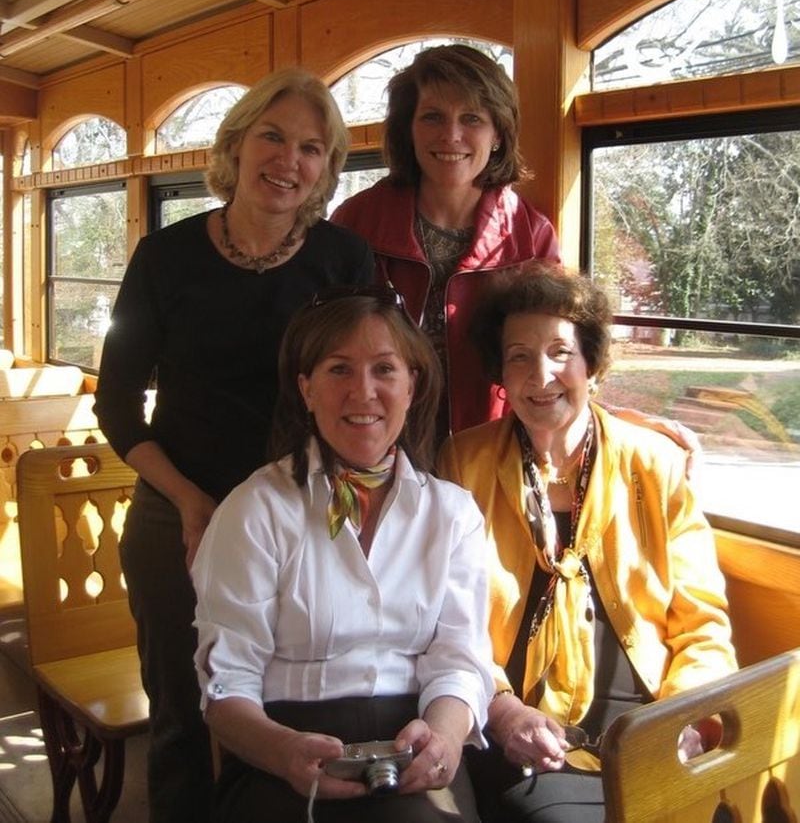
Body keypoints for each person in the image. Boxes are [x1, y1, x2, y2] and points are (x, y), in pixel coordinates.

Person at [93, 69, 374, 823]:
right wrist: (191, 503)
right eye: (273, 137)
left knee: (291, 709)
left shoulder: (344, 263)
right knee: (182, 714)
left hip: (304, 514)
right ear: (237, 144)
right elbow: (115, 403)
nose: (289, 160)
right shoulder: (166, 257)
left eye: (312, 149)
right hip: (177, 509)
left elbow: (370, 389)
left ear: (326, 168)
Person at [436, 262, 738, 823]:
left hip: (652, 721)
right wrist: (502, 712)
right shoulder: (464, 462)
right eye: (518, 356)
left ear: (592, 365)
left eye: (560, 352)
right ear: (500, 373)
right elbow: (449, 620)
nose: (540, 374)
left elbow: (703, 624)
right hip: (528, 729)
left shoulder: (655, 463)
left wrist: (682, 720)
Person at [191, 286, 495, 823]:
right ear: (306, 390)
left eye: (384, 369)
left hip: (415, 738)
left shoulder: (453, 514)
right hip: (281, 745)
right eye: (338, 370)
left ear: (413, 386)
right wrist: (282, 752)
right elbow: (225, 685)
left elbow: (460, 660)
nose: (363, 392)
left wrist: (445, 739)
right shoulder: (255, 510)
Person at [331, 44, 560, 442]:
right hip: (375, 440)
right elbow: (328, 346)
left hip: (487, 446)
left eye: (471, 118)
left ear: (498, 136)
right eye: (432, 117)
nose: (451, 135)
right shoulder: (357, 222)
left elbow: (556, 354)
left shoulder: (531, 235)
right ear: (409, 130)